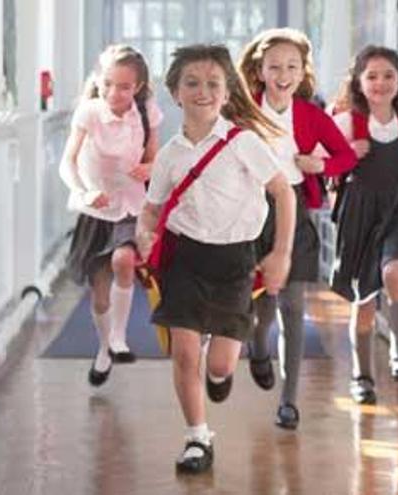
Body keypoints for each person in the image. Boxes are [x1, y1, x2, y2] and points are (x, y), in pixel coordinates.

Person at [136, 44, 296, 474]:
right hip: (184, 260)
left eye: (212, 84)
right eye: (192, 83)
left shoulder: (242, 142)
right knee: (186, 354)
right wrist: (144, 233)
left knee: (221, 362)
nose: (202, 91)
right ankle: (197, 438)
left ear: (227, 94)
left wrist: (280, 253)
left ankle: (220, 375)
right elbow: (152, 208)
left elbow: (283, 191)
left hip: (235, 262)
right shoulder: (170, 153)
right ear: (175, 92)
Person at [237, 28, 356, 430]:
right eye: (274, 67)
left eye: (292, 66)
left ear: (302, 71)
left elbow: (344, 157)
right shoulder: (244, 112)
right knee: (263, 306)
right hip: (251, 212)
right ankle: (257, 347)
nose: (283, 74)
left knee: (293, 306)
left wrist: (319, 166)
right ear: (260, 70)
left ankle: (288, 401)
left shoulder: (310, 115)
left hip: (295, 209)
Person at [330, 45, 398, 404]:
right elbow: (322, 160)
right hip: (359, 214)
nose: (381, 83)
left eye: (388, 75)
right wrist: (348, 155)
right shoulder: (347, 122)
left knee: (394, 271)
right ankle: (361, 375)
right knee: (363, 300)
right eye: (372, 76)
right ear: (359, 83)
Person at [59, 44, 162, 387]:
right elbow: (68, 162)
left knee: (123, 261)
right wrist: (84, 191)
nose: (113, 93)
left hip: (131, 206)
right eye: (108, 84)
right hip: (96, 209)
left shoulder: (146, 112)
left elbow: (155, 159)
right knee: (99, 293)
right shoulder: (88, 113)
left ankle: (118, 337)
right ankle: (104, 348)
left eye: (124, 87)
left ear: (138, 87)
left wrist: (147, 167)